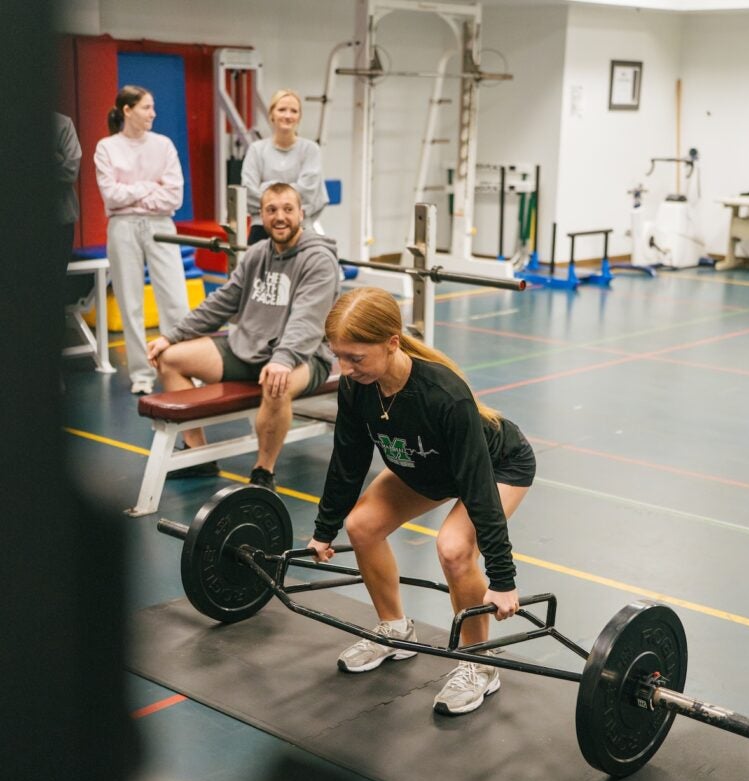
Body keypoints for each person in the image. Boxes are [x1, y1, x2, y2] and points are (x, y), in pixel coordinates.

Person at [307, 287, 536, 716]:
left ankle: (479, 662)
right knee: (361, 527)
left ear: (392, 343)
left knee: (452, 547)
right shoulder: (357, 388)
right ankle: (395, 631)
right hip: (424, 464)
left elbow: (477, 485)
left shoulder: (442, 395)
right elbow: (348, 459)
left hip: (496, 466)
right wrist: (326, 527)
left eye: (356, 358)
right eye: (339, 356)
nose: (345, 368)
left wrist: (502, 578)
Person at [146, 183, 339, 490]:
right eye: (271, 210)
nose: (280, 217)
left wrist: (282, 361)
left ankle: (264, 471)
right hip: (247, 347)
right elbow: (224, 300)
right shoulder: (258, 253)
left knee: (279, 384)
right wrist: (172, 336)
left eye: (288, 209)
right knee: (169, 358)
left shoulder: (318, 260)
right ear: (260, 216)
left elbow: (307, 322)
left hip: (304, 356)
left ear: (302, 213)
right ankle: (199, 457)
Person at [94, 85, 190, 395]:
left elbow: (174, 196)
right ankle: (141, 374)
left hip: (161, 225)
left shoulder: (163, 145)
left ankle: (183, 366)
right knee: (130, 302)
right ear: (127, 110)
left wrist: (132, 192)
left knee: (175, 299)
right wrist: (150, 187)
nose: (153, 114)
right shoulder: (106, 148)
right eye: (147, 107)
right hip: (122, 227)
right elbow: (111, 195)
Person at [241, 89, 328, 244]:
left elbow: (307, 193)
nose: (287, 116)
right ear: (271, 115)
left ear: (299, 117)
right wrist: (292, 193)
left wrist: (267, 188)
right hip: (262, 228)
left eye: (293, 111)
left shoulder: (311, 150)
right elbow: (248, 193)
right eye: (282, 110)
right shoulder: (256, 150)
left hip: (300, 228)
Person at [54, 112, 81, 278]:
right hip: (18, 222)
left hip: (60, 220)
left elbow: (70, 171)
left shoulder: (62, 123)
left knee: (55, 278)